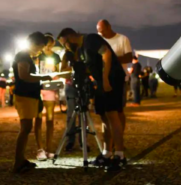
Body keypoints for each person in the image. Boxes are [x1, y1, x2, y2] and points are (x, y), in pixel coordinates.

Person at [57, 28, 126, 172]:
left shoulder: (90, 39)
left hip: (111, 78)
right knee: (104, 117)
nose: (66, 47)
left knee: (112, 115)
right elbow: (90, 67)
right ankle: (107, 153)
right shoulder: (81, 50)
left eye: (65, 43)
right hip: (100, 81)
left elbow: (106, 54)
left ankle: (120, 155)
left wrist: (106, 79)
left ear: (70, 36)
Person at [12, 32, 55, 174]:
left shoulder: (26, 56)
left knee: (27, 127)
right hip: (24, 96)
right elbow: (24, 76)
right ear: (34, 44)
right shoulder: (23, 56)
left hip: (29, 96)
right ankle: (18, 161)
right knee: (25, 128)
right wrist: (43, 77)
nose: (40, 50)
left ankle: (21, 160)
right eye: (40, 47)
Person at [96, 19, 132, 133]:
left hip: (119, 79)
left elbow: (129, 57)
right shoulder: (99, 41)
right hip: (104, 79)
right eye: (99, 32)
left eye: (102, 31)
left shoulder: (122, 39)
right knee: (105, 111)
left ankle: (119, 138)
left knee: (119, 110)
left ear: (109, 27)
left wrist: (111, 59)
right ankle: (109, 141)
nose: (101, 34)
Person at [34, 33, 61, 161]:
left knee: (50, 119)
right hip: (39, 88)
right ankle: (40, 149)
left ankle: (49, 148)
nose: (48, 45)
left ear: (53, 43)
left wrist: (56, 76)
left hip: (50, 87)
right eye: (46, 43)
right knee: (38, 118)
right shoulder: (38, 55)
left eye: (50, 42)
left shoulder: (56, 57)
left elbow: (58, 71)